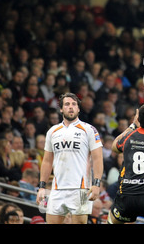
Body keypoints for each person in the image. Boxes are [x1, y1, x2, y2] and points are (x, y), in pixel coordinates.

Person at [36, 93, 103, 224]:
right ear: (61, 109)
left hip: (81, 188)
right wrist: (42, 187)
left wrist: (96, 184)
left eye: (74, 104)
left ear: (78, 108)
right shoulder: (52, 131)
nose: (70, 107)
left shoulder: (89, 129)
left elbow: (98, 158)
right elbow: (47, 161)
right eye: (67, 104)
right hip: (56, 188)